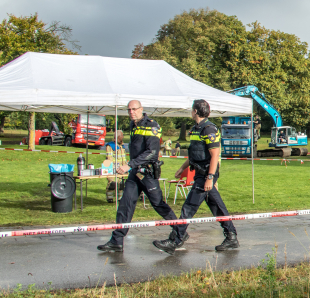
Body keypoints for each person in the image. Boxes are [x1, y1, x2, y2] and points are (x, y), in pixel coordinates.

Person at [153, 99, 239, 254]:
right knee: (216, 206)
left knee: (189, 207)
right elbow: (194, 154)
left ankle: (176, 240)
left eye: (191, 109)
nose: (190, 112)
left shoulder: (208, 129)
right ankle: (231, 237)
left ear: (195, 111)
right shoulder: (196, 129)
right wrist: (182, 167)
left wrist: (210, 177)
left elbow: (214, 155)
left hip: (206, 173)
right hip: (200, 172)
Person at [97, 101, 181, 253]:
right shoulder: (133, 125)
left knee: (158, 205)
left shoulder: (152, 125)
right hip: (135, 173)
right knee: (125, 205)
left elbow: (151, 152)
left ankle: (180, 232)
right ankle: (117, 241)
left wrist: (129, 164)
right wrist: (131, 166)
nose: (131, 112)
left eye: (134, 109)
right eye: (129, 110)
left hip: (147, 173)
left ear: (141, 109)